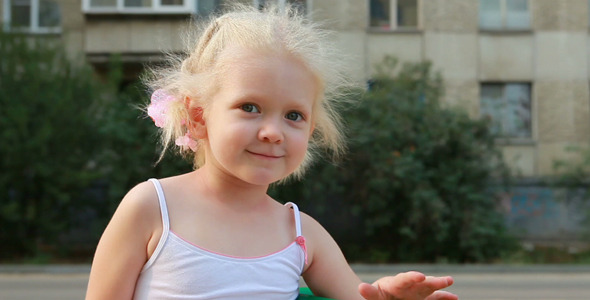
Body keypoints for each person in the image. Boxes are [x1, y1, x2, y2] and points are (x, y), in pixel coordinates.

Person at [86, 4, 457, 300]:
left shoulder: (301, 233)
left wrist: (385, 297)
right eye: (250, 107)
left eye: (294, 115)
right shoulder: (152, 208)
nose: (272, 132)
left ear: (310, 132)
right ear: (199, 117)